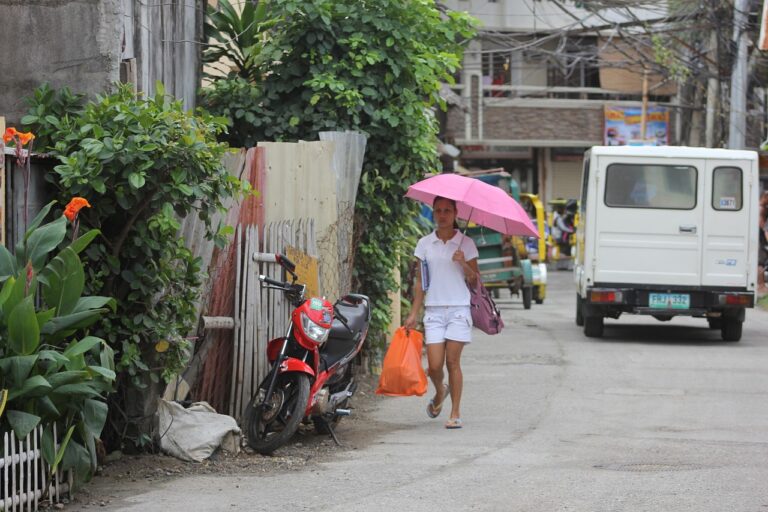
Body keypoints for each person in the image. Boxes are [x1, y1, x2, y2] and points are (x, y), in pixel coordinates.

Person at [404, 197, 480, 429]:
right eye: (438, 210)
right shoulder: (424, 244)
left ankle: (455, 413)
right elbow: (420, 282)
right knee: (435, 366)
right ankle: (440, 392)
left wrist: (464, 263)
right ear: (434, 213)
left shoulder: (466, 244)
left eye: (447, 210)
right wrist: (413, 313)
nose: (443, 215)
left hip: (458, 309)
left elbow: (475, 281)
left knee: (452, 362)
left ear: (456, 212)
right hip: (434, 311)